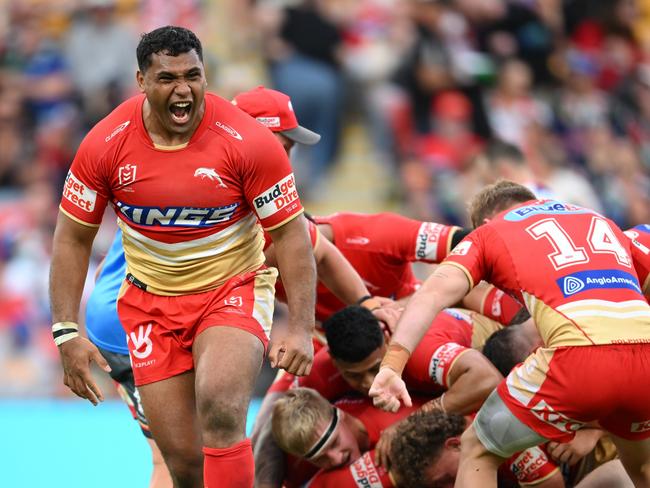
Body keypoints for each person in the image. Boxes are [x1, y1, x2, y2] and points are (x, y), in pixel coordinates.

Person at [50, 26, 317, 488]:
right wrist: (64, 330)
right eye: (167, 78)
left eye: (193, 76)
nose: (183, 90)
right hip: (150, 307)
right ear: (141, 81)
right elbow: (72, 238)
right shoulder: (104, 143)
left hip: (230, 292)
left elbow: (294, 238)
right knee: (184, 464)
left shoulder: (247, 141)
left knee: (220, 407)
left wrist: (302, 327)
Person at [84, 83, 367, 487]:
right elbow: (309, 245)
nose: (286, 159)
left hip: (114, 318)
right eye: (283, 146)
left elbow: (105, 269)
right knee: (190, 454)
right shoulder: (238, 190)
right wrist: (363, 304)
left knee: (182, 454)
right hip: (136, 326)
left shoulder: (178, 171)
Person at [369, 180, 650, 487]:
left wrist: (393, 363)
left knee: (477, 449)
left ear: (484, 223)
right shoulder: (597, 219)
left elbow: (433, 293)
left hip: (576, 357)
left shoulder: (492, 233)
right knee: (643, 468)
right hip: (644, 358)